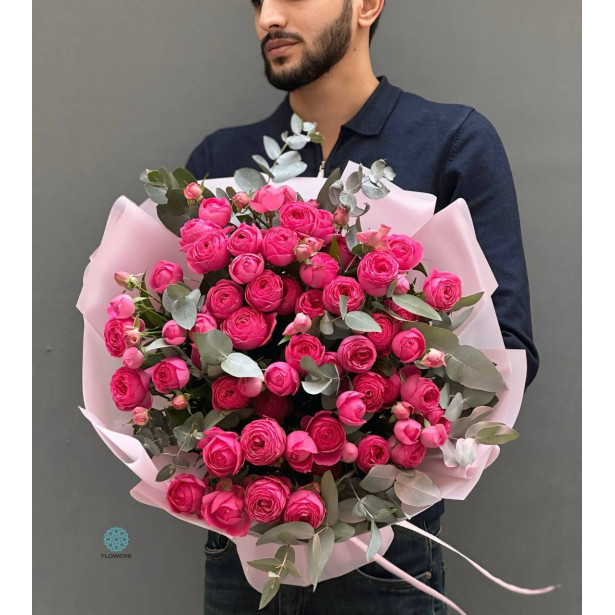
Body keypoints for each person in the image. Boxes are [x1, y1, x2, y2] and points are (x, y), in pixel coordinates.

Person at [185, 1, 539, 613]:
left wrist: (387, 433)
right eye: (258, 2)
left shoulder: (451, 141)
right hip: (243, 543)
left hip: (385, 549)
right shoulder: (222, 163)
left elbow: (505, 346)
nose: (269, 17)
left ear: (368, 4)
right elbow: (183, 342)